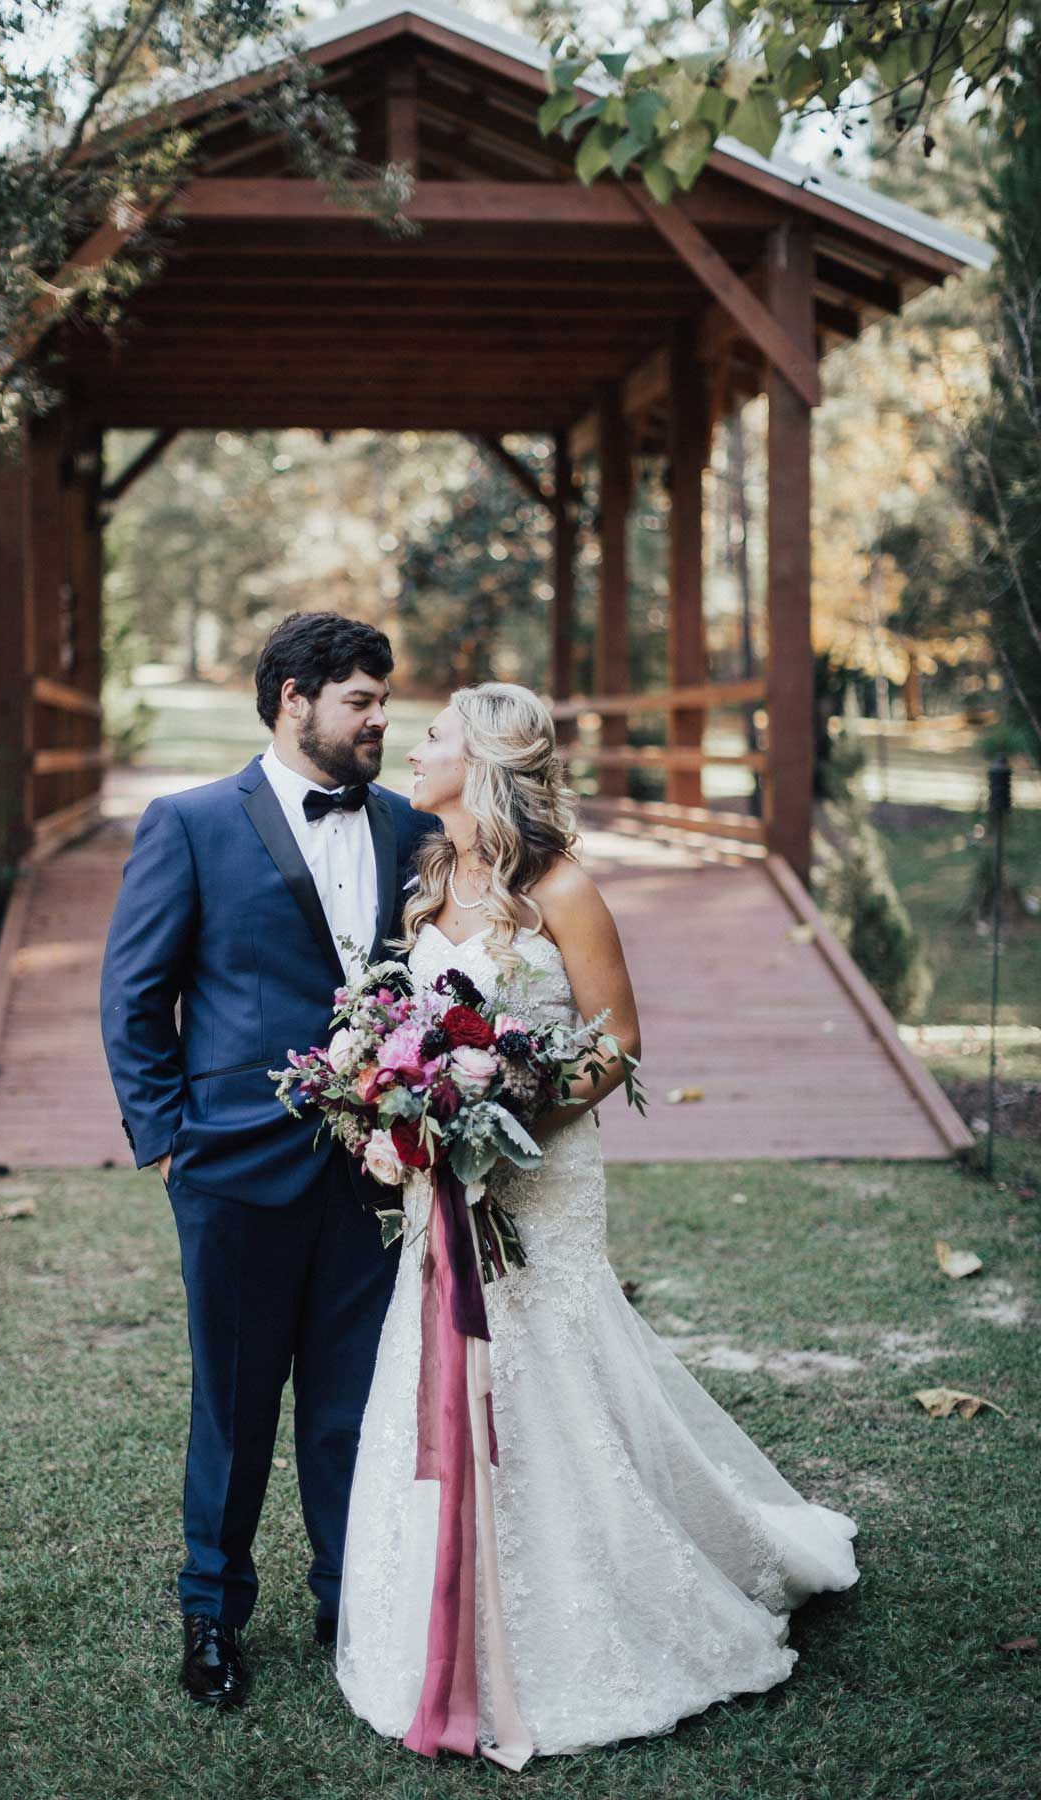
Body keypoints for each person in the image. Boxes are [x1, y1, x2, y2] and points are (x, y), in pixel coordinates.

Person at [335, 681, 860, 1766]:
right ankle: (442, 1622)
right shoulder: (429, 886)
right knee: (452, 1368)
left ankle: (602, 1613)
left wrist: (513, 1117)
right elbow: (407, 1034)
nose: (413, 746)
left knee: (551, 1367)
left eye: (432, 735)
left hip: (543, 1177)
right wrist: (403, 1115)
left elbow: (618, 1041)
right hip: (446, 1189)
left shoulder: (562, 890)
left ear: (478, 761)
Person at [99, 612, 439, 1709]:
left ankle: (353, 1598)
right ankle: (212, 1612)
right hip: (232, 1167)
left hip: (373, 1173)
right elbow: (135, 996)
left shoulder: (411, 827)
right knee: (236, 1404)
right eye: (361, 701)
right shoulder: (191, 823)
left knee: (351, 1401)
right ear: (293, 699)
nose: (382, 718)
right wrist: (167, 1147)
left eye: (386, 700)